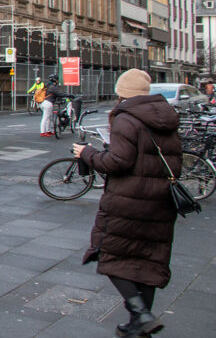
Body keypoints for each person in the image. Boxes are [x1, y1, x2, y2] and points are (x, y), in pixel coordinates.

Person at [73, 68, 181, 337]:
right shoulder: (166, 117)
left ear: (122, 92)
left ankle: (140, 314)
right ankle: (138, 325)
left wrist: (88, 153)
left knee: (110, 253)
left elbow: (116, 162)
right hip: (160, 202)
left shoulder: (127, 118)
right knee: (148, 260)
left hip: (129, 201)